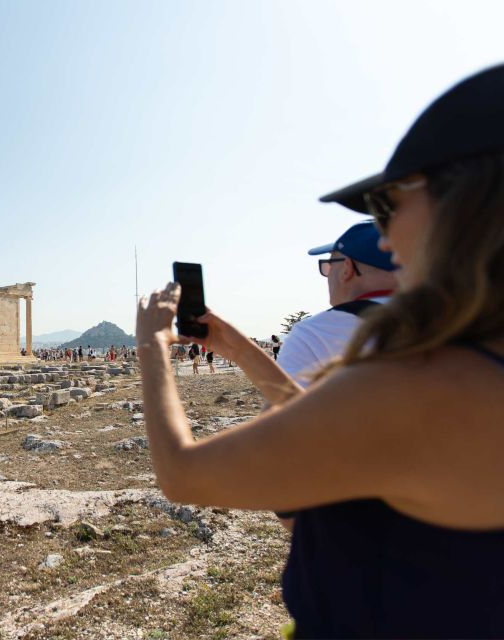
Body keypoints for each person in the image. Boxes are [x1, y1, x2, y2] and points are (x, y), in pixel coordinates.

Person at [136, 64, 504, 638]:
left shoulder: (422, 386)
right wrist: (240, 349)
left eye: (387, 205)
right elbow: (334, 422)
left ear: (465, 206)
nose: (383, 236)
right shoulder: (474, 366)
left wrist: (151, 346)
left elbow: (185, 475)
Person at [278, 222, 398, 386]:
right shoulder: (439, 317)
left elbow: (285, 405)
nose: (326, 276)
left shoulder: (315, 333)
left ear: (346, 269)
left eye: (328, 266)